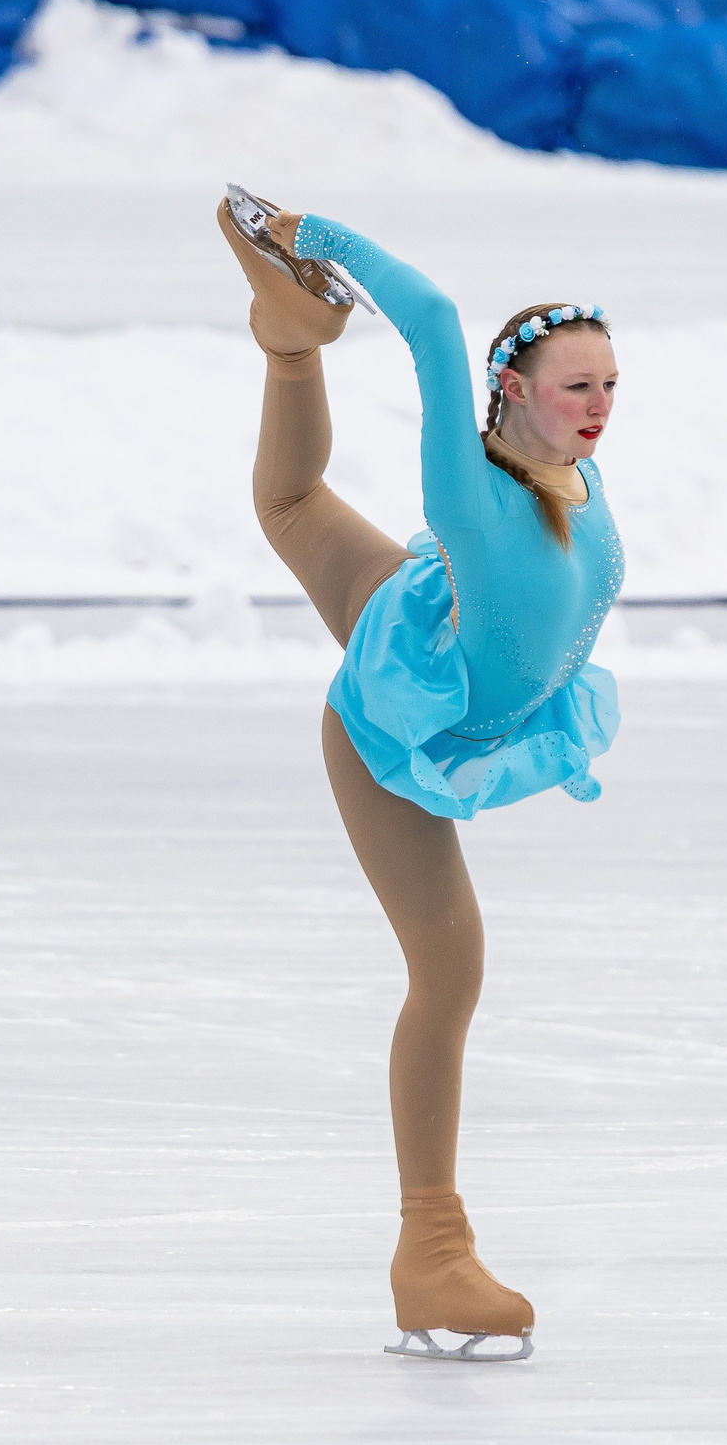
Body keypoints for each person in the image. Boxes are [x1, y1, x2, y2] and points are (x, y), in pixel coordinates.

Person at [217, 191, 623, 1361]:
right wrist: (322, 240)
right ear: (510, 392)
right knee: (449, 970)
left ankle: (289, 342)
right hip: (393, 724)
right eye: (573, 386)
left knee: (291, 505)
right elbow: (439, 318)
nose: (596, 408)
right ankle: (429, 1249)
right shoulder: (475, 488)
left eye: (607, 385)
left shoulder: (572, 478)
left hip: (416, 611)